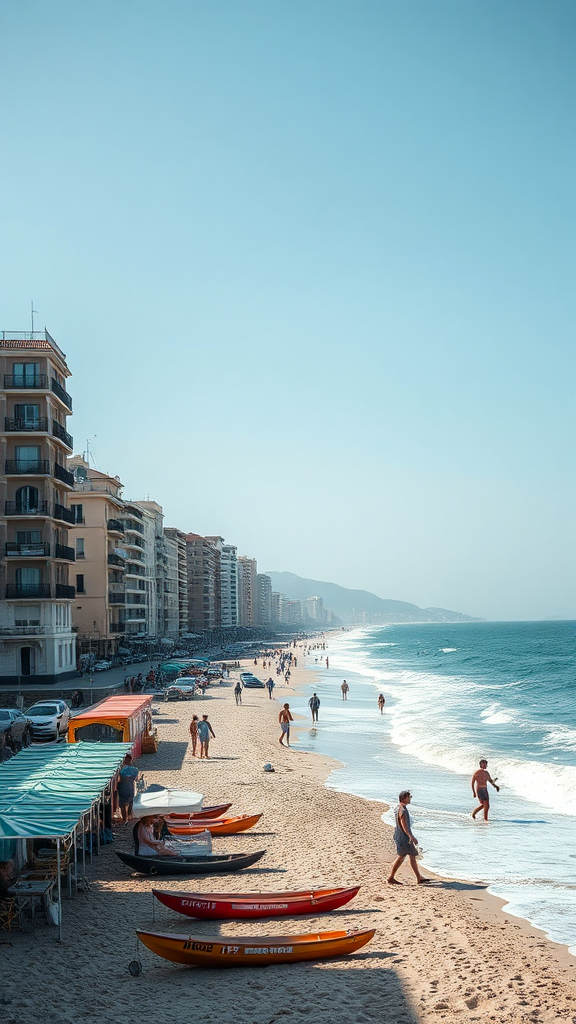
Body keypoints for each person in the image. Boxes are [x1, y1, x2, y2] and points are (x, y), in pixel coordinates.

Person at [387, 791, 430, 885]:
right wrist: (411, 837)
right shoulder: (403, 810)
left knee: (412, 855)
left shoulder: (399, 808)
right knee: (402, 857)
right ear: (404, 798)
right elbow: (404, 825)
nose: (410, 798)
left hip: (400, 836)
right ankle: (391, 877)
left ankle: (419, 878)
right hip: (404, 838)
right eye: (409, 797)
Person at [117, 754, 140, 823]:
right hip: (125, 787)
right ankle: (125, 819)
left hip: (127, 787)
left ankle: (127, 818)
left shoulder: (127, 769)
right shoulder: (132, 769)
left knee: (129, 803)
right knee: (123, 805)